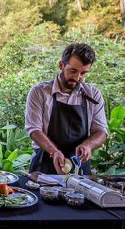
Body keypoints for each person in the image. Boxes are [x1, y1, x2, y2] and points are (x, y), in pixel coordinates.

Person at [25, 43, 108, 175]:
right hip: (45, 164)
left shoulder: (93, 95)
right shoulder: (39, 92)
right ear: (61, 65)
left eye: (83, 73)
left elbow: (101, 131)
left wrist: (88, 145)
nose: (77, 77)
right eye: (73, 71)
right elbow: (34, 130)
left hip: (79, 166)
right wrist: (54, 151)